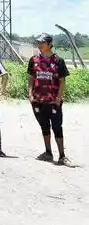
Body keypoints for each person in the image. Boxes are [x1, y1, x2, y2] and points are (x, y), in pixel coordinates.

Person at [27, 33, 74, 166]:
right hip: (37, 100)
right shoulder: (34, 59)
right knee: (44, 126)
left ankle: (62, 156)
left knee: (57, 127)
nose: (39, 45)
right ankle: (48, 153)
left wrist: (59, 97)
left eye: (42, 42)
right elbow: (31, 78)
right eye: (38, 42)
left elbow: (62, 80)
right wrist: (30, 94)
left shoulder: (58, 61)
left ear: (49, 44)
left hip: (53, 101)